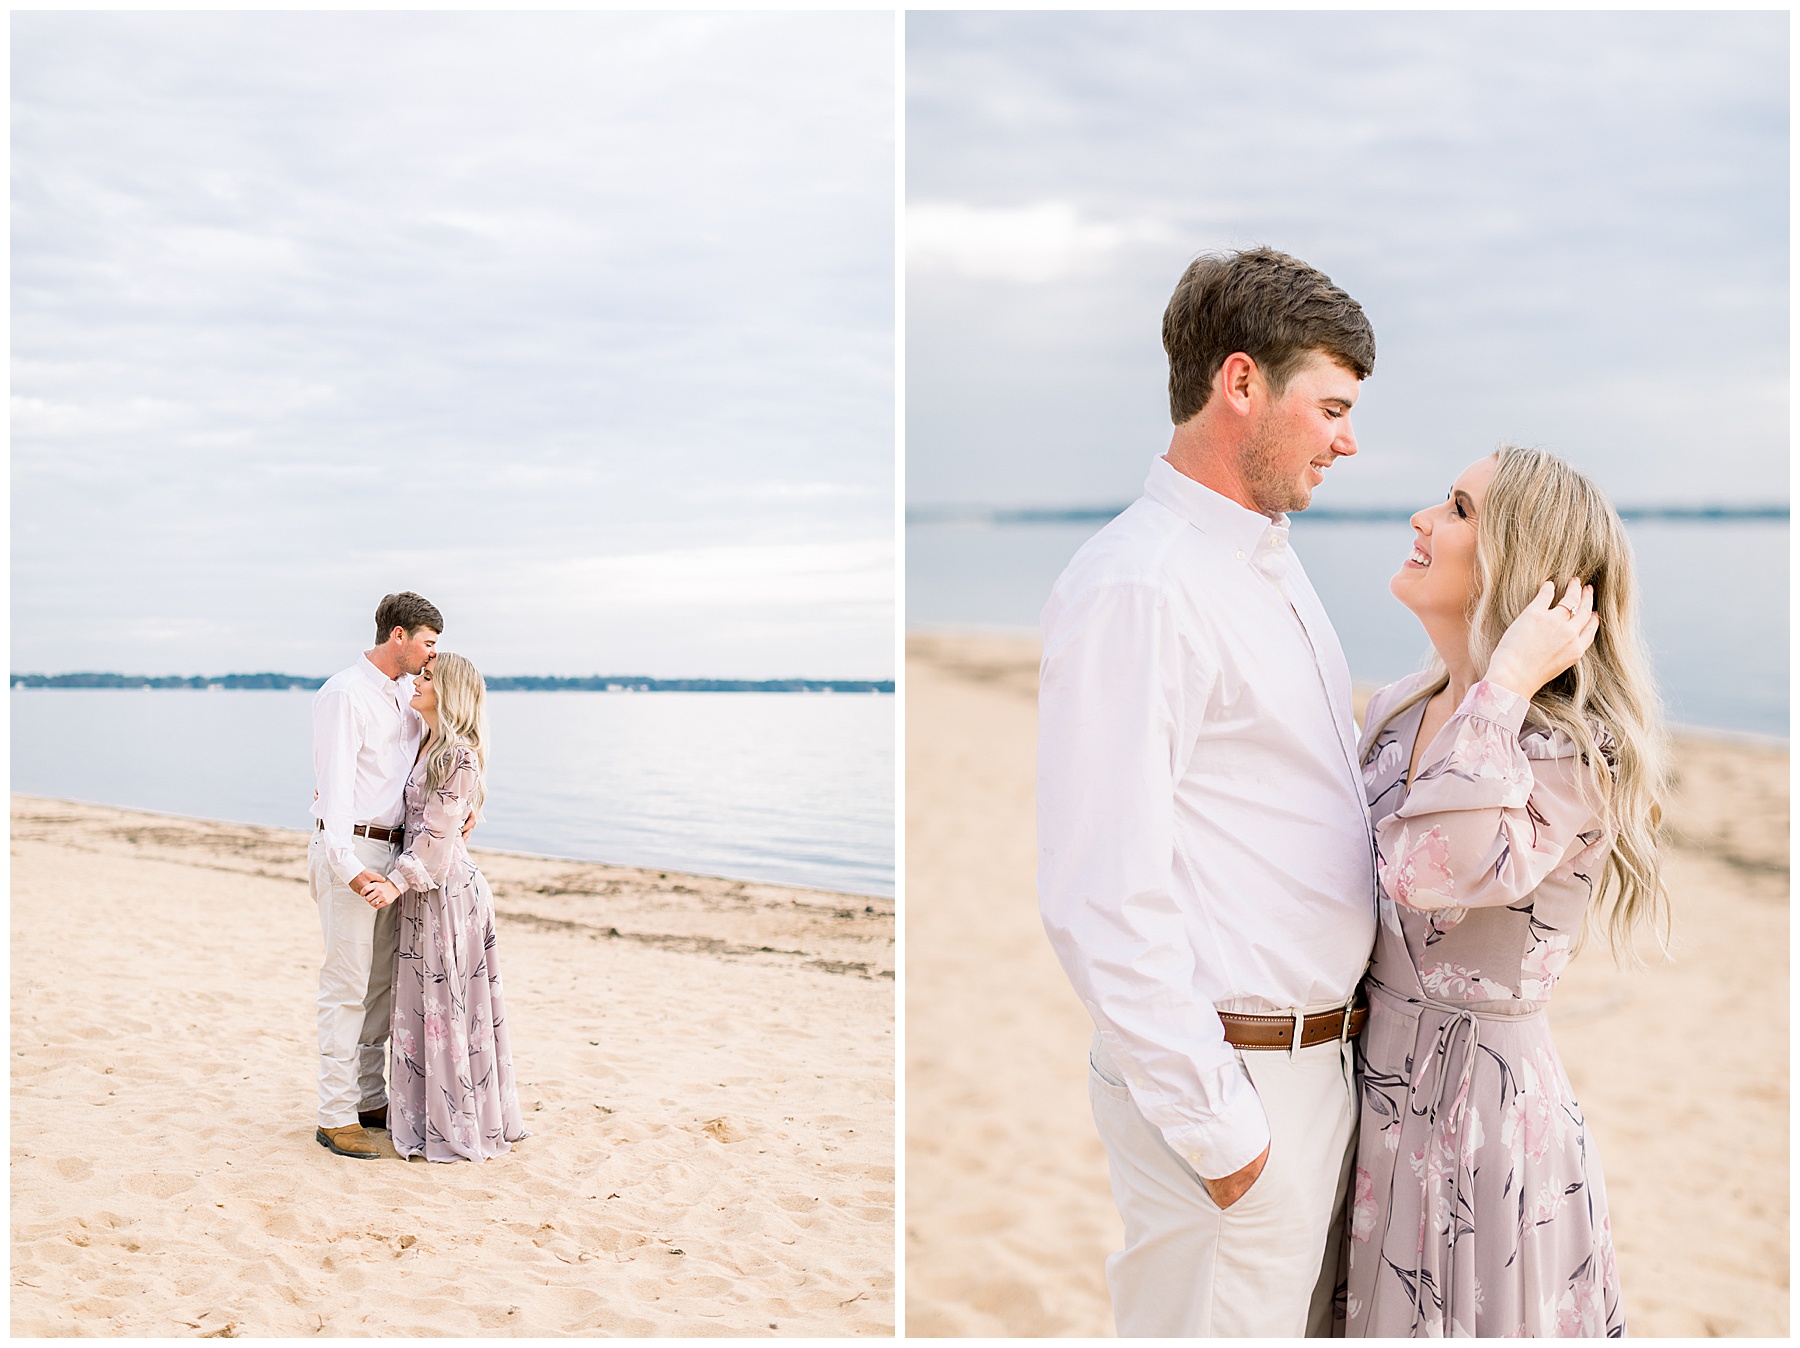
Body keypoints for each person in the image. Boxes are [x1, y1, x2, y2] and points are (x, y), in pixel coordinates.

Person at [1037, 247, 1380, 1337]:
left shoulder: (1264, 560)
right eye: (1331, 408)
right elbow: (1100, 893)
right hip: (1236, 1085)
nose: (1347, 441)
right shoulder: (1142, 585)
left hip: (1313, 1072)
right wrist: (1225, 1139)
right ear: (1241, 383)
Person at [1343, 445, 1666, 1337]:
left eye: (1457, 508)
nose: (1422, 519)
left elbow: (1432, 870)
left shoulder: (1572, 751)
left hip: (1480, 1115)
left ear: (1518, 562)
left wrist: (1507, 686)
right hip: (1365, 1091)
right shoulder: (1397, 708)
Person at [362, 652, 527, 1162]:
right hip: (422, 894)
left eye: (428, 677)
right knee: (422, 1006)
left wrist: (394, 884)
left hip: (447, 895)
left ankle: (454, 1121)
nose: (417, 681)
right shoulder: (424, 742)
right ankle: (422, 1113)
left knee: (446, 1008)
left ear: (449, 693)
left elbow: (436, 838)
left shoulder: (459, 756)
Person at [309, 591, 442, 1160]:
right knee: (345, 987)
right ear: (398, 636)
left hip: (395, 852)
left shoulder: (407, 697)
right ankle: (335, 1114)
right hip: (353, 850)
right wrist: (349, 868)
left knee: (380, 987)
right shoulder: (345, 693)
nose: (433, 655)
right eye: (428, 643)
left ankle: (368, 1098)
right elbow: (335, 790)